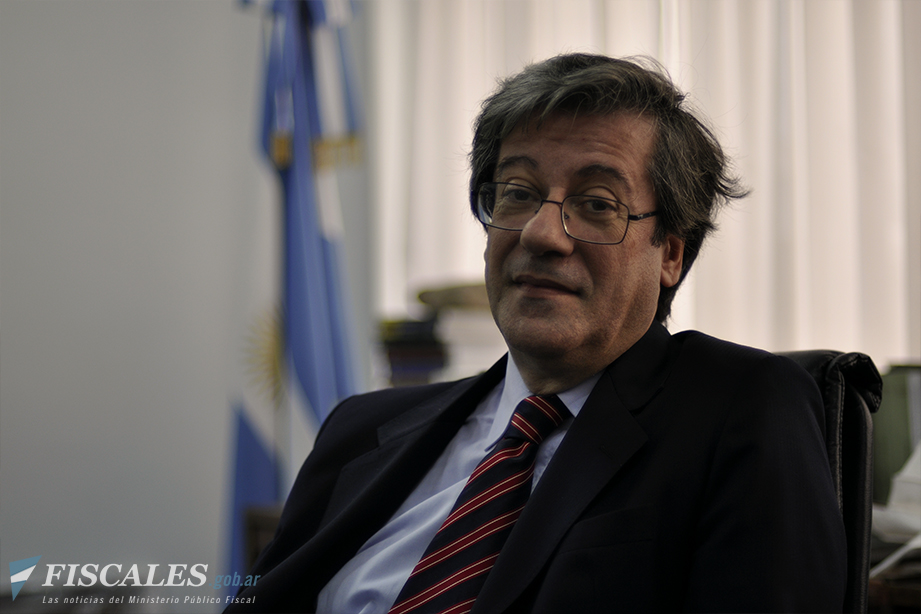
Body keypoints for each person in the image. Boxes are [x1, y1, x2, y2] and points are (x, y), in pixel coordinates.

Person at [227, 54, 846, 613]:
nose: (540, 234)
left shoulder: (741, 408)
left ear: (670, 254)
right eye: (518, 193)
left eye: (598, 203)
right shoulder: (359, 430)